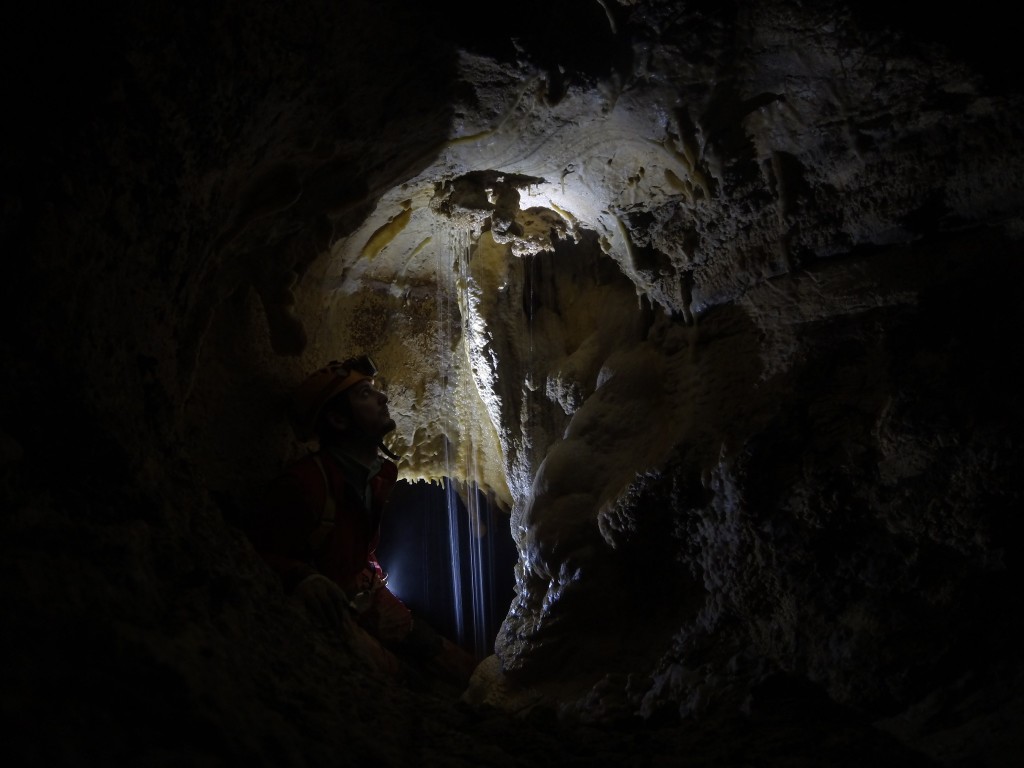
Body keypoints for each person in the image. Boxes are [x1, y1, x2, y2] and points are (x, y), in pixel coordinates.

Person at [246, 355, 477, 692]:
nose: (382, 398)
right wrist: (301, 576)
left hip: (362, 588)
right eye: (365, 395)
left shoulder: (380, 476)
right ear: (338, 419)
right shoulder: (305, 484)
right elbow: (255, 550)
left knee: (445, 657)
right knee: (401, 682)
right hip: (329, 607)